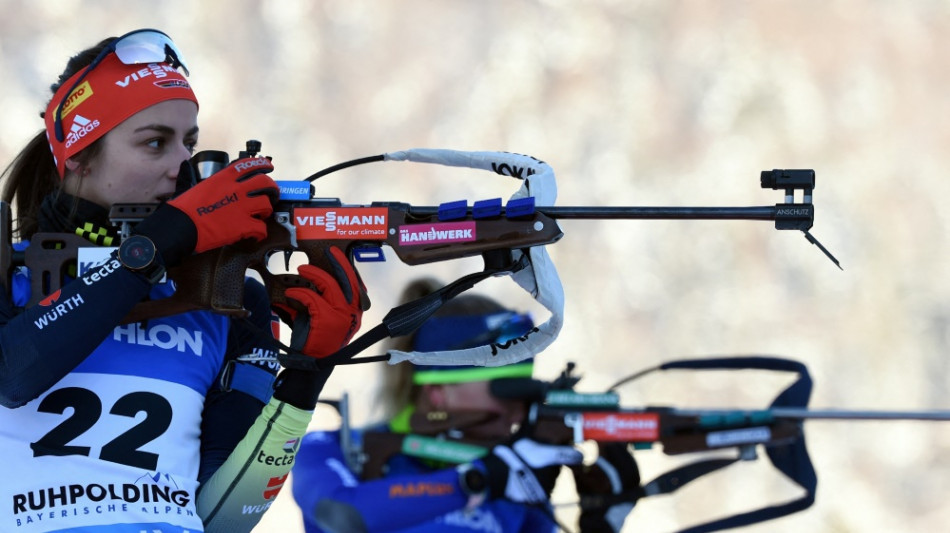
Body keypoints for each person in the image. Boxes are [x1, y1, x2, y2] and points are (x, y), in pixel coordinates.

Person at [0, 29, 362, 533]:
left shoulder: (225, 295)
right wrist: (165, 238)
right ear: (79, 155)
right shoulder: (8, 274)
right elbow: (12, 374)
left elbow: (226, 518)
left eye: (189, 142)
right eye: (155, 143)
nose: (182, 166)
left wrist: (307, 374)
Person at [291, 278, 639, 533]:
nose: (520, 408)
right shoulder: (331, 450)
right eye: (506, 389)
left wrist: (601, 526)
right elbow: (344, 514)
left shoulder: (512, 472)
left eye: (527, 390)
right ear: (438, 392)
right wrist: (481, 479)